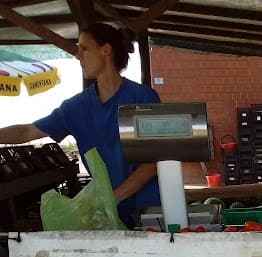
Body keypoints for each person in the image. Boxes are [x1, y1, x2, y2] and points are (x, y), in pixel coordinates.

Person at [0, 23, 161, 229]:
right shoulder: (75, 108)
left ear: (106, 50)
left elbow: (154, 162)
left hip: (148, 213)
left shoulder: (144, 98)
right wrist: (107, 204)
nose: (78, 56)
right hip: (107, 215)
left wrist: (112, 199)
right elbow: (27, 131)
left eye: (84, 48)